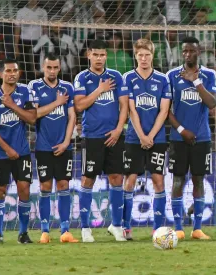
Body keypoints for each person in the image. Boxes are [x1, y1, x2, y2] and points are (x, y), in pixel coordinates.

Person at [73, 39, 128, 242]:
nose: (99, 58)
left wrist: (118, 129)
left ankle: (116, 225)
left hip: (114, 136)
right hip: (92, 137)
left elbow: (124, 106)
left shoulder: (116, 76)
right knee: (88, 179)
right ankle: (86, 228)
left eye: (102, 55)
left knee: (116, 179)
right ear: (88, 55)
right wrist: (99, 89)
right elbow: (79, 106)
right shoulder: (82, 78)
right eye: (95, 54)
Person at [167, 36, 216, 240]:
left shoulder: (209, 75)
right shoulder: (171, 75)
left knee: (198, 180)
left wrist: (195, 81)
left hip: (202, 138)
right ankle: (178, 227)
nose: (188, 54)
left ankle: (197, 229)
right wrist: (181, 130)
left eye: (192, 51)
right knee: (178, 181)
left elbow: (212, 103)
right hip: (179, 139)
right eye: (185, 51)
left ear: (199, 52)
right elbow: (166, 110)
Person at [0, 59, 37, 244]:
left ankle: (23, 234)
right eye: (8, 71)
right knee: (0, 190)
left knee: (25, 189)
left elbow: (32, 118)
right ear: (1, 74)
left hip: (21, 151)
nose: (12, 73)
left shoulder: (26, 92)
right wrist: (7, 149)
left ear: (19, 73)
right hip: (0, 152)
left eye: (15, 70)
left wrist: (12, 105)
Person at [122, 39, 171, 240]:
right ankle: (126, 227)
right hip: (134, 138)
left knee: (158, 180)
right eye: (140, 55)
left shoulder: (162, 79)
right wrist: (142, 135)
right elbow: (130, 109)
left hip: (157, 139)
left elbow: (164, 110)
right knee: (130, 180)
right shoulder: (128, 78)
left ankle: (158, 229)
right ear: (135, 56)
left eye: (147, 55)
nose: (143, 59)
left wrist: (150, 136)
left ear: (152, 56)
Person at [29, 53, 78, 243]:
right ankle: (44, 231)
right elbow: (33, 115)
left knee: (64, 185)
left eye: (55, 67)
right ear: (43, 67)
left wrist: (66, 142)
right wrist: (57, 103)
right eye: (49, 67)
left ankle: (65, 230)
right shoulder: (34, 86)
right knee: (45, 186)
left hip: (63, 146)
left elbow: (72, 116)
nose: (52, 71)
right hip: (43, 146)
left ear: (59, 68)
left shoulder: (67, 87)